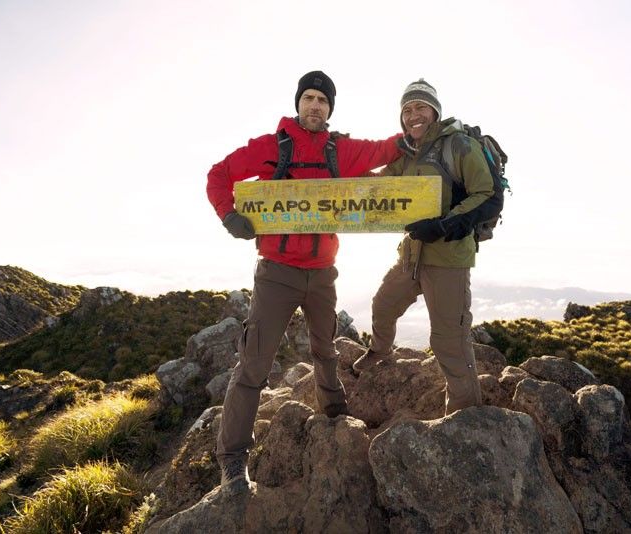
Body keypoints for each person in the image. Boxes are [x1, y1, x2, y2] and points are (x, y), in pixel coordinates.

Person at [206, 70, 401, 492]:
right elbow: (218, 174)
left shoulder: (340, 150)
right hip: (277, 272)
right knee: (255, 362)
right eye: (309, 98)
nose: (315, 106)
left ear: (330, 109)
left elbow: (384, 149)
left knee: (325, 349)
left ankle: (333, 416)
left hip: (323, 274)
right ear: (298, 103)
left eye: (323, 101)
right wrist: (228, 215)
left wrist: (420, 128)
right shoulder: (270, 147)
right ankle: (232, 457)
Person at [351, 79, 496, 416]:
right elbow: (382, 184)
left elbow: (486, 195)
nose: (413, 115)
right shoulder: (409, 153)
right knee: (383, 304)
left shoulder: (457, 145)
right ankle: (381, 351)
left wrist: (444, 225)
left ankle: (465, 415)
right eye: (406, 110)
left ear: (434, 111)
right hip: (413, 253)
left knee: (449, 340)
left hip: (448, 258)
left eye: (420, 107)